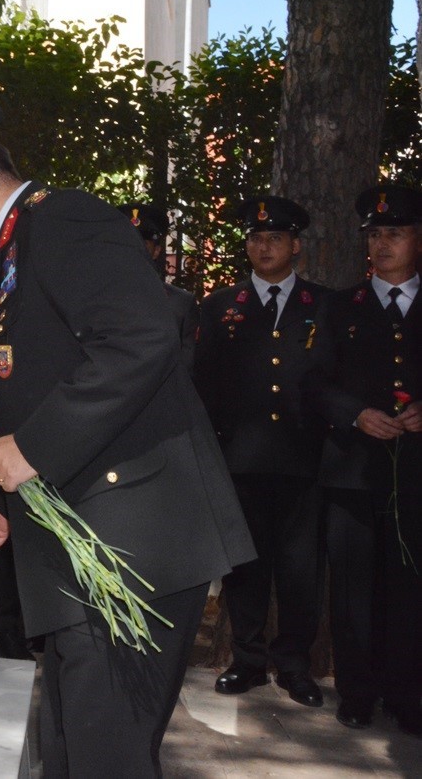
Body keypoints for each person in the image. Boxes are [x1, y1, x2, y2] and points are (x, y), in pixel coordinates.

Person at [0, 105, 254, 777]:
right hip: (93, 544)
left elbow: (140, 338)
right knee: (71, 750)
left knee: (106, 758)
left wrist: (28, 449)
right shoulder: (14, 251)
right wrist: (10, 500)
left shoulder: (64, 223)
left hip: (137, 544)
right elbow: (51, 380)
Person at [194, 196, 328, 707]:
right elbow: (203, 383)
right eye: (254, 238)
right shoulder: (222, 306)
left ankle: (295, 665)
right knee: (245, 568)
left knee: (300, 570)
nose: (263, 246)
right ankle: (247, 661)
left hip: (303, 462)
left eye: (274, 238)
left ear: (295, 245)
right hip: (241, 461)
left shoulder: (323, 306)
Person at [306, 185, 422, 736]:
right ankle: (356, 692)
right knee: (352, 587)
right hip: (352, 470)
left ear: (417, 239)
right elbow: (313, 383)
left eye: (394, 233)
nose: (382, 244)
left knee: (409, 587)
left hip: (415, 476)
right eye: (374, 235)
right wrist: (355, 414)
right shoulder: (338, 306)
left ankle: (407, 693)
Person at [117, 204, 199, 370]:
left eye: (143, 244)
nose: (135, 251)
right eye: (128, 243)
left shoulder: (180, 305)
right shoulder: (98, 298)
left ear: (156, 251)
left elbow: (187, 370)